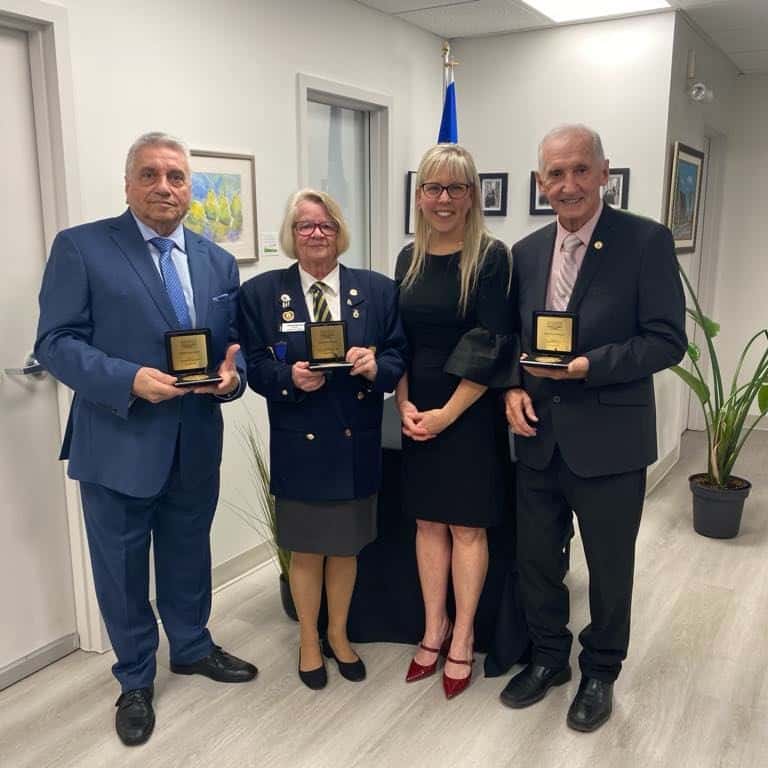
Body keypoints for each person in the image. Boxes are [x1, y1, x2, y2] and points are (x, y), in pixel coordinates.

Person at [35, 132, 257, 747]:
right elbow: (54, 342)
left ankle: (190, 646)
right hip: (118, 440)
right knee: (124, 567)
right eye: (151, 175)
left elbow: (231, 351)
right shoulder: (82, 248)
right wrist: (129, 379)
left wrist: (231, 380)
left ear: (191, 188)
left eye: (177, 176)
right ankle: (134, 677)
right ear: (128, 183)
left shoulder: (216, 261)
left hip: (194, 441)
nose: (165, 187)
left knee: (189, 554)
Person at [501, 124, 686, 731]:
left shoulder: (645, 242)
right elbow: (511, 340)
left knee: (609, 570)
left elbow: (666, 341)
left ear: (605, 172)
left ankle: (600, 670)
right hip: (537, 439)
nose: (569, 184)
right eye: (555, 173)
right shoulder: (525, 252)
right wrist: (508, 391)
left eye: (581, 170)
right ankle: (549, 657)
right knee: (536, 561)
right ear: (540, 182)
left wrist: (590, 367)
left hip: (610, 440)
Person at [238, 189, 407, 690]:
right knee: (308, 551)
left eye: (326, 226)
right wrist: (289, 376)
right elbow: (254, 367)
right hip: (300, 440)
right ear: (292, 234)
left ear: (340, 233)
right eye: (306, 226)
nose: (316, 234)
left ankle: (338, 635)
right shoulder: (263, 293)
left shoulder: (376, 290)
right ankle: (309, 639)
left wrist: (378, 366)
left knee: (347, 549)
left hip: (355, 441)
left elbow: (399, 355)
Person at [395, 144, 519, 699]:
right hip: (418, 408)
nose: (443, 199)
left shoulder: (491, 256)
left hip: (466, 411)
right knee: (427, 525)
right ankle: (432, 627)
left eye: (455, 188)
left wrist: (447, 413)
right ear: (419, 196)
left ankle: (464, 636)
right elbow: (396, 339)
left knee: (467, 527)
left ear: (472, 196)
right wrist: (402, 404)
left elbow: (492, 341)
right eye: (433, 188)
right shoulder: (407, 259)